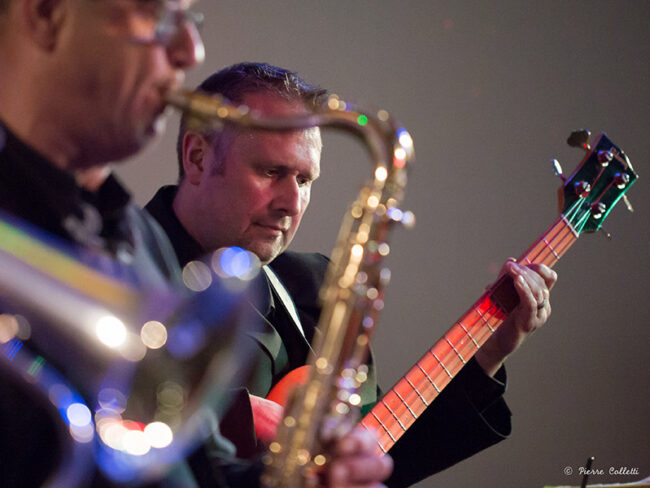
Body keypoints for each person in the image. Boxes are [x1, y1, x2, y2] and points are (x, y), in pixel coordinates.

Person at [0, 2, 391, 487]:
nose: (191, 51)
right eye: (157, 15)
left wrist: (306, 479)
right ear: (45, 15)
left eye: (192, 22)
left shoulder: (138, 239)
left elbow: (201, 473)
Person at [145, 62, 558, 488]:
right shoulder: (122, 261)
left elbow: (382, 456)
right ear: (198, 158)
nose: (291, 202)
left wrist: (487, 354)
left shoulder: (316, 285)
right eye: (271, 172)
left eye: (305, 180)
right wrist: (240, 414)